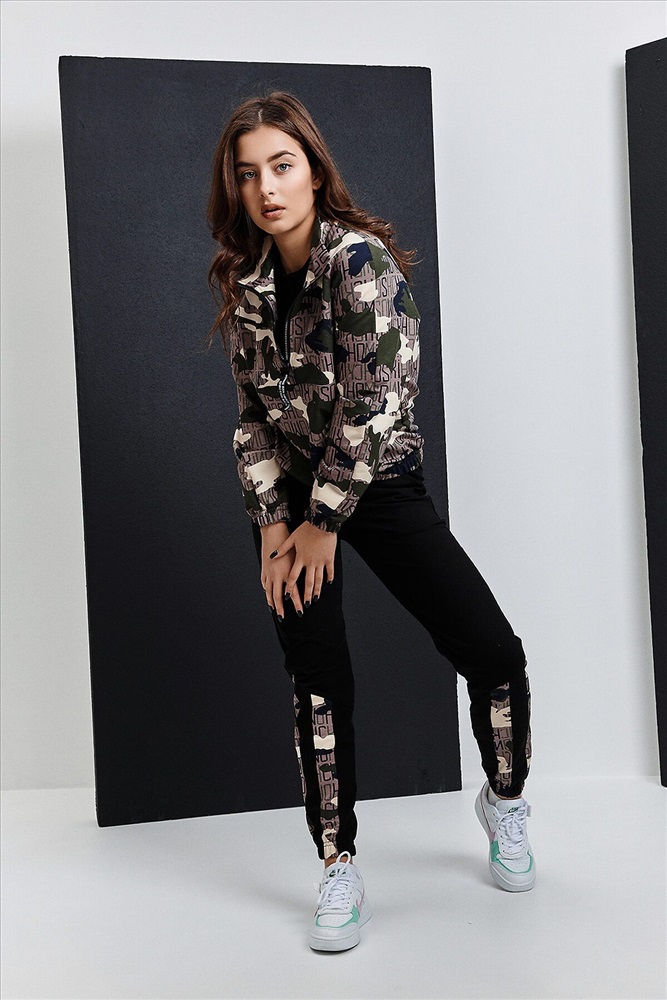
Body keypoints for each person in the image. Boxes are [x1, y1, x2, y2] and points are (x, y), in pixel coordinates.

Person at [206, 90, 535, 953]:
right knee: (316, 680)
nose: (267, 188)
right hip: (292, 501)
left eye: (282, 166)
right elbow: (252, 418)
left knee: (492, 652)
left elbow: (374, 402)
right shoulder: (247, 284)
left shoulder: (358, 262)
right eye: (249, 174)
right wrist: (273, 526)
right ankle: (336, 861)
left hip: (375, 480)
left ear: (314, 171)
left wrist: (322, 523)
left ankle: (504, 800)